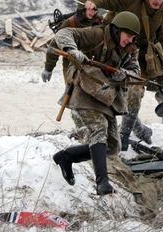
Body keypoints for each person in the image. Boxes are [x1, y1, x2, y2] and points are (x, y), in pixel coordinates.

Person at [52, 11, 141, 195]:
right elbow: (63, 34)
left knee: (112, 146)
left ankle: (66, 157)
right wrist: (72, 50)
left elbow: (136, 71)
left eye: (133, 37)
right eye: (128, 36)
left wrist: (124, 73)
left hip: (106, 95)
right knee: (98, 130)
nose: (130, 40)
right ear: (117, 30)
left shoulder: (131, 48)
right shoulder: (97, 34)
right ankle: (102, 183)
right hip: (85, 90)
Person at [84, 0, 163, 150]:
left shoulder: (161, 11)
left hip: (142, 58)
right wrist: (93, 1)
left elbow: (162, 36)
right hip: (118, 51)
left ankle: (123, 136)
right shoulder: (130, 1)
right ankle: (135, 129)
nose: (158, 0)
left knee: (135, 94)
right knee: (111, 93)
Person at [41, 0, 103, 84]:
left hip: (93, 64)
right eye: (90, 8)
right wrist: (48, 69)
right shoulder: (70, 23)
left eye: (95, 9)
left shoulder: (99, 22)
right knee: (72, 90)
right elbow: (54, 46)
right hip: (72, 64)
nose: (93, 11)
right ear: (82, 8)